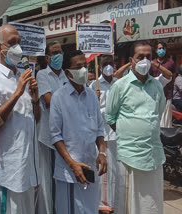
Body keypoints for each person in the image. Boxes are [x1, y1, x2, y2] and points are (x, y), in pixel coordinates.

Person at [0, 24, 40, 214]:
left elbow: (35, 119)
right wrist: (16, 94)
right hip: (9, 174)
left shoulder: (21, 78)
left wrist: (35, 100)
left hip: (29, 170)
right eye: (11, 43)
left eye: (19, 43)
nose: (18, 48)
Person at [105, 41, 166, 214]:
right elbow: (110, 116)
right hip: (128, 157)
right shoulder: (119, 86)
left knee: (151, 205)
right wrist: (130, 134)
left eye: (149, 57)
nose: (145, 61)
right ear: (131, 60)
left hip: (153, 155)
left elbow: (158, 113)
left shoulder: (156, 86)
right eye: (140, 57)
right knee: (128, 205)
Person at [50, 50, 107, 213]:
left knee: (89, 209)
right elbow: (55, 136)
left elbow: (99, 128)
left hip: (90, 168)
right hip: (69, 173)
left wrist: (102, 152)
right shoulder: (59, 98)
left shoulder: (91, 95)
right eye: (78, 66)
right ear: (68, 73)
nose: (84, 70)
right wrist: (72, 164)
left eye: (85, 65)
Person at [36, 41, 68, 214]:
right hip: (47, 136)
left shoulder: (67, 75)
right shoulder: (42, 75)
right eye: (55, 53)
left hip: (65, 136)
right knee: (46, 180)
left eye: (60, 52)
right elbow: (49, 102)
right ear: (48, 58)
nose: (59, 56)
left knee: (61, 178)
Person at [89, 55, 117, 213]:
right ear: (100, 67)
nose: (108, 67)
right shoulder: (94, 85)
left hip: (116, 133)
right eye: (105, 64)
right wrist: (95, 98)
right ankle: (100, 203)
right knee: (102, 172)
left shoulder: (118, 84)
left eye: (111, 64)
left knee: (115, 173)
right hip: (100, 135)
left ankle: (113, 202)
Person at [149, 42, 175, 127]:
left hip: (166, 94)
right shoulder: (151, 63)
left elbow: (172, 76)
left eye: (163, 48)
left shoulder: (170, 62)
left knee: (166, 121)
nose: (161, 50)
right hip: (155, 95)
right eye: (159, 48)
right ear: (156, 50)